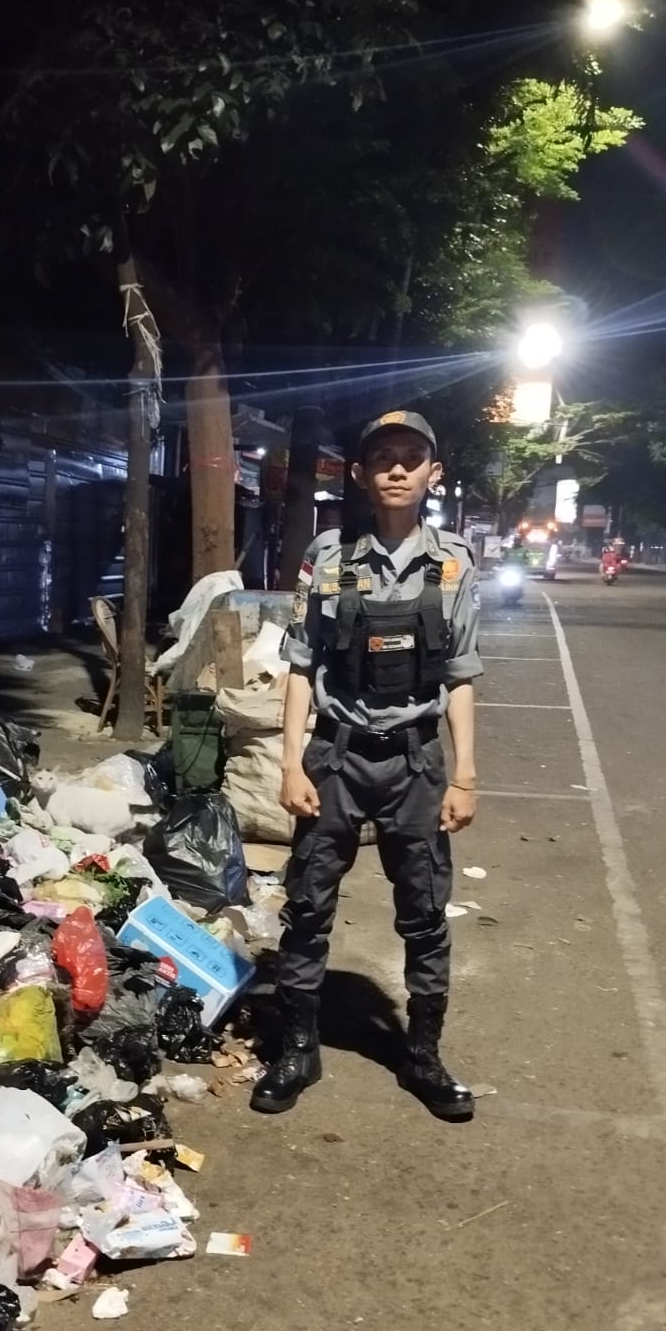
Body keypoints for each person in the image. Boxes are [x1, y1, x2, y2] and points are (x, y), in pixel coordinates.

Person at [253, 410, 482, 1118]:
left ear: (433, 474)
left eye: (412, 456)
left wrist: (465, 776)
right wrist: (291, 765)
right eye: (383, 457)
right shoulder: (328, 556)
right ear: (359, 473)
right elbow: (300, 666)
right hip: (336, 758)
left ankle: (423, 1055)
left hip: (415, 762)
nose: (397, 468)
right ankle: (297, 1048)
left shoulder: (454, 562)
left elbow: (461, 676)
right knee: (307, 907)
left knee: (425, 913)